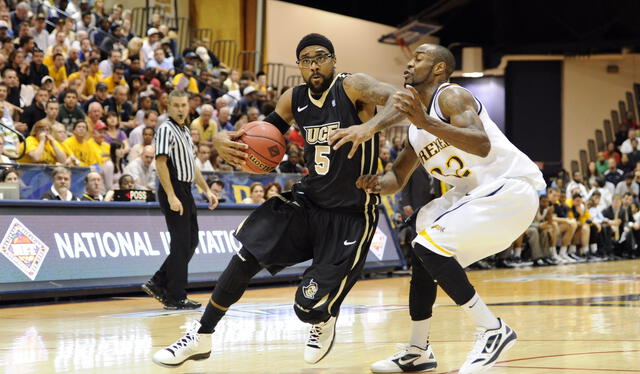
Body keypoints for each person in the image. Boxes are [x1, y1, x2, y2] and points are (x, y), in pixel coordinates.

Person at [153, 33, 399, 367]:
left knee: (307, 308)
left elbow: (402, 99)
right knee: (246, 253)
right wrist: (228, 143)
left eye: (321, 57)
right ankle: (201, 335)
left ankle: (323, 319)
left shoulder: (353, 86)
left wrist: (369, 127)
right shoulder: (293, 98)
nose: (314, 65)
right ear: (299, 65)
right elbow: (259, 137)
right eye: (306, 59)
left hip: (351, 213)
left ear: (334, 60)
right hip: (308, 202)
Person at [329, 44, 546, 374]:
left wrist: (428, 122)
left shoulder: (452, 96)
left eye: (419, 58)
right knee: (419, 241)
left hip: (508, 188)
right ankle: (418, 351)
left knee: (429, 244)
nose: (409, 63)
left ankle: (492, 330)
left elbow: (481, 143)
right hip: (474, 195)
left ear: (439, 69)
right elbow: (397, 178)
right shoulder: (417, 128)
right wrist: (375, 182)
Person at [142, 90, 218, 310]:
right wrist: (171, 195)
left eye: (183, 105)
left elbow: (192, 166)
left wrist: (206, 190)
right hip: (172, 188)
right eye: (175, 105)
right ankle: (175, 296)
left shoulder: (185, 130)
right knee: (181, 243)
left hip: (186, 189)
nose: (180, 109)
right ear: (168, 107)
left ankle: (158, 282)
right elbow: (161, 163)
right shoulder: (165, 129)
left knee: (191, 242)